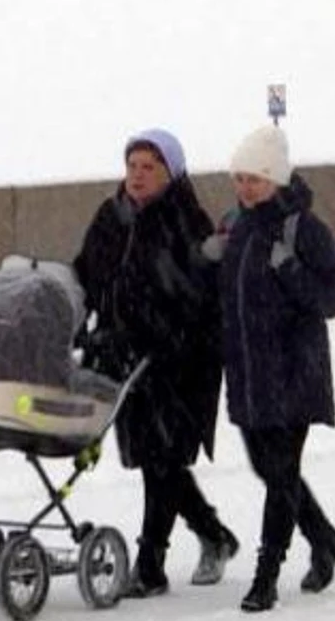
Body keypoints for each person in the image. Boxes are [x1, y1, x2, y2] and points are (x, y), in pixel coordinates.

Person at [73, 128, 238, 597]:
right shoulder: (112, 217)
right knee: (152, 458)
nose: (138, 176)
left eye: (150, 168)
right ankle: (214, 534)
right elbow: (86, 272)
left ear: (171, 173)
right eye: (132, 166)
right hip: (123, 353)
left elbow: (198, 293)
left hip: (180, 359)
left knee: (163, 458)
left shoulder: (186, 221)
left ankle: (150, 564)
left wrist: (165, 331)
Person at [210, 124, 335, 613]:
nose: (245, 188)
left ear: (276, 179)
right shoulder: (238, 226)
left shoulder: (305, 229)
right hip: (250, 373)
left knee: (282, 474)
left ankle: (266, 576)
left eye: (254, 179)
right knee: (269, 468)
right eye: (239, 178)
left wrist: (288, 267)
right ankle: (325, 540)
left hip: (295, 371)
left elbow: (331, 299)